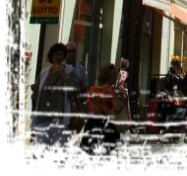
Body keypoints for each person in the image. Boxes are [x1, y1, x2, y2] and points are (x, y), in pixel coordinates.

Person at [29, 42, 79, 171]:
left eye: (61, 54)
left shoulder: (70, 71)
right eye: (56, 54)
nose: (58, 57)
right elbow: (37, 93)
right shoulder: (45, 72)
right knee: (39, 149)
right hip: (43, 115)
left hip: (60, 116)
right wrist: (35, 90)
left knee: (58, 151)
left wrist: (63, 75)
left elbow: (73, 90)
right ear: (51, 57)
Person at [76, 63, 126, 170]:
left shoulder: (92, 91)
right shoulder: (112, 91)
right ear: (111, 77)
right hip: (107, 128)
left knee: (91, 162)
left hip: (92, 128)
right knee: (105, 163)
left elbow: (89, 109)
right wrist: (122, 103)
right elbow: (116, 107)